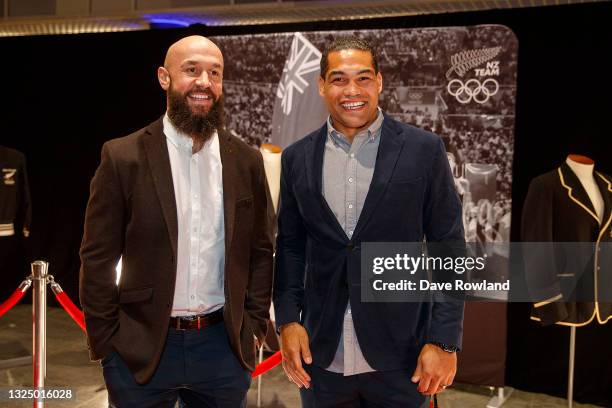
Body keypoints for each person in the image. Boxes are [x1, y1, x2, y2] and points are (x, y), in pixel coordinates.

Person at [79, 35, 274, 407]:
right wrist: (107, 343)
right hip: (142, 349)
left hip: (222, 350)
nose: (204, 82)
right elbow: (97, 258)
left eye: (214, 73)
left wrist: (253, 325)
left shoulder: (246, 160)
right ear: (164, 78)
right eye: (191, 70)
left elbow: (261, 250)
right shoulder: (123, 157)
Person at [273, 37, 465, 407]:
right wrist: (287, 321)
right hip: (321, 356)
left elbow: (449, 247)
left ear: (379, 81)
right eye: (339, 79)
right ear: (322, 86)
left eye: (363, 78)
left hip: (402, 354)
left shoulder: (424, 150)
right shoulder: (297, 158)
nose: (352, 91)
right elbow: (291, 247)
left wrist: (444, 340)